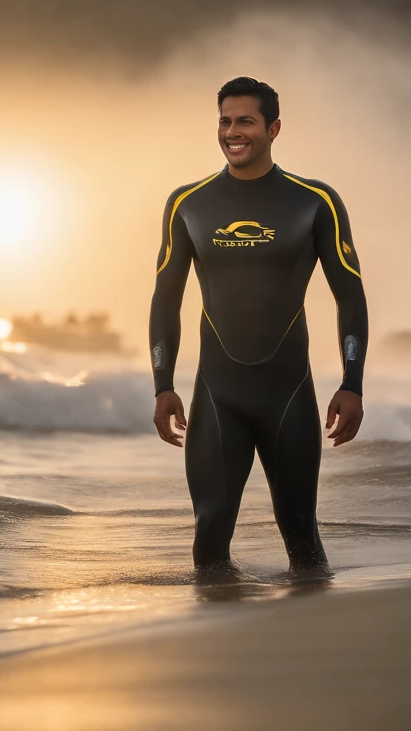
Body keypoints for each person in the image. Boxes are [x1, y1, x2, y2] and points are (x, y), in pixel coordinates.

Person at [149, 75, 368, 574]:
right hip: (217, 394)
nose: (232, 131)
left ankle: (309, 638)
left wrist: (351, 384)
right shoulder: (188, 203)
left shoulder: (315, 201)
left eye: (245, 121)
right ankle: (216, 644)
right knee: (210, 536)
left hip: (288, 392)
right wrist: (163, 386)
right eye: (224, 121)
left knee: (302, 536)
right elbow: (166, 298)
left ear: (273, 128)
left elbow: (349, 295)